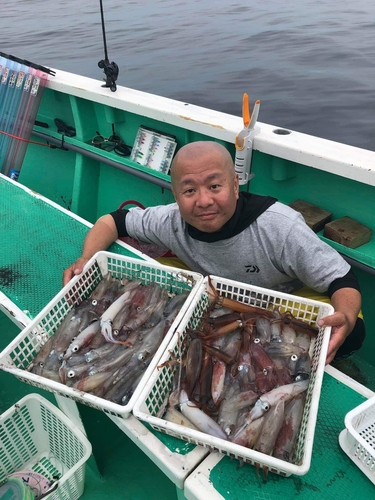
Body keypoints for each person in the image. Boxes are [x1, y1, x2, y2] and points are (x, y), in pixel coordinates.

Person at [63, 141, 365, 365]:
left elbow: (341, 279)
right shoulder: (170, 221)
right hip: (217, 294)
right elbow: (113, 220)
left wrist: (347, 315)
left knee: (352, 329)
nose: (204, 201)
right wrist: (85, 258)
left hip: (281, 296)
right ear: (175, 194)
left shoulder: (279, 227)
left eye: (215, 186)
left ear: (235, 185)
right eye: (189, 190)